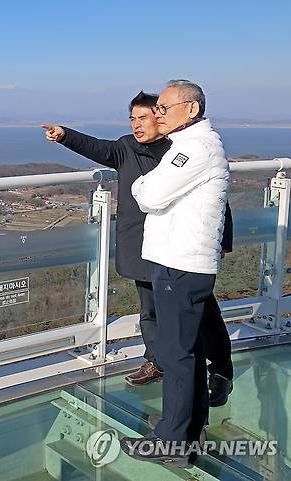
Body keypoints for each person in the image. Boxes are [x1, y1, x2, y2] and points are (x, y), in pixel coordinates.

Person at [42, 91, 233, 407]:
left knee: (202, 313)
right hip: (140, 244)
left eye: (143, 117)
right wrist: (64, 136)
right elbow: (97, 148)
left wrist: (223, 239)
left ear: (161, 117)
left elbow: (216, 198)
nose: (136, 124)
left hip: (182, 248)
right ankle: (157, 361)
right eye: (132, 118)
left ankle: (220, 370)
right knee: (150, 310)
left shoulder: (182, 151)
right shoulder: (125, 149)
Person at [120, 79, 230, 465]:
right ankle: (186, 429)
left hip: (181, 265)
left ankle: (170, 442)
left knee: (177, 355)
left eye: (165, 109)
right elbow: (155, 188)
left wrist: (143, 185)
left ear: (192, 110)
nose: (158, 115)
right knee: (189, 352)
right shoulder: (185, 147)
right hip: (176, 262)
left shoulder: (196, 149)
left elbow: (148, 194)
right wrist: (150, 184)